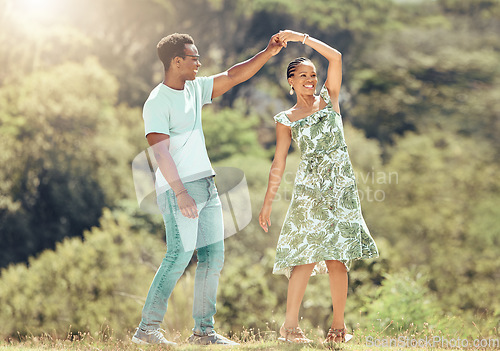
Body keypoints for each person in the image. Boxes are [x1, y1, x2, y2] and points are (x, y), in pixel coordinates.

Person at [132, 32, 284, 346]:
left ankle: (204, 332)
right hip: (180, 189)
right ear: (176, 62)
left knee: (213, 258)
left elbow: (233, 75)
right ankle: (147, 330)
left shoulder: (195, 89)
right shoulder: (157, 101)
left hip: (207, 183)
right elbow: (160, 153)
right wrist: (181, 192)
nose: (199, 63)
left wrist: (268, 52)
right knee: (178, 255)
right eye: (193, 58)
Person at [259, 30, 379, 344]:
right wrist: (268, 203)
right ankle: (290, 328)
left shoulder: (329, 99)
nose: (311, 80)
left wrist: (302, 38)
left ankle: (338, 330)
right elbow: (279, 163)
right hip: (309, 192)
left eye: (313, 74)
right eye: (303, 75)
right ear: (291, 82)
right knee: (305, 256)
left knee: (339, 258)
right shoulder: (286, 118)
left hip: (341, 189)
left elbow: (336, 57)